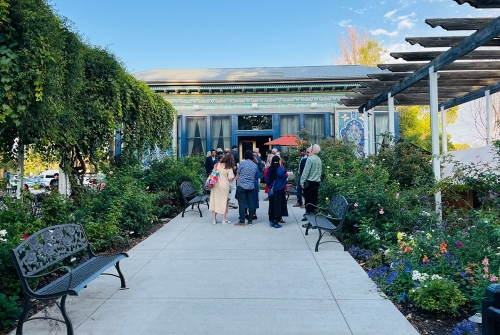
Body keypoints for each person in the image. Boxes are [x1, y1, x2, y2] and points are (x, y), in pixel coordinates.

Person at [209, 154, 235, 225]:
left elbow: (213, 174)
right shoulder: (228, 167)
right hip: (224, 186)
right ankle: (224, 220)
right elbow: (230, 178)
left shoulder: (217, 165)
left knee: (214, 201)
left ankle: (214, 219)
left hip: (215, 185)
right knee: (224, 202)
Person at [300, 144, 322, 221]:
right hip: (317, 182)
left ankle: (308, 215)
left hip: (309, 182)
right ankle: (314, 214)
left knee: (308, 200)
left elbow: (306, 171)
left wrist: (302, 182)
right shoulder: (319, 159)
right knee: (314, 199)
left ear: (312, 150)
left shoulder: (310, 159)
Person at [266, 155, 289, 228]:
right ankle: (276, 222)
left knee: (272, 205)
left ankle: (272, 221)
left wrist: (270, 186)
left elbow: (267, 180)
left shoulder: (270, 169)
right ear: (279, 161)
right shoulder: (282, 170)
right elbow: (284, 179)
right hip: (279, 190)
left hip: (272, 190)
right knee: (278, 205)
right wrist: (282, 187)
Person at [235, 150, 257, 226]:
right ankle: (250, 221)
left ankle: (242, 221)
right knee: (251, 203)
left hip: (242, 185)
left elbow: (238, 174)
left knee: (241, 204)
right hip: (251, 186)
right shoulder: (254, 165)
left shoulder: (242, 163)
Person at [251, 147, 265, 220]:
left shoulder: (244, 162)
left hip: (246, 182)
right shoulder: (257, 158)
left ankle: (246, 213)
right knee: (255, 195)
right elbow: (261, 167)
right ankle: (253, 213)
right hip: (256, 178)